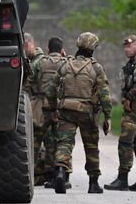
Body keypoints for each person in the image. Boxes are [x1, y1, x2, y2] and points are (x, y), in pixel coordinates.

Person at [46, 32, 112, 194]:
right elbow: (105, 95)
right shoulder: (96, 68)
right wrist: (107, 116)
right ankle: (93, 183)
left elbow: (51, 90)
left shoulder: (65, 65)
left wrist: (54, 108)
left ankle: (61, 171)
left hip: (66, 110)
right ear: (93, 48)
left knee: (64, 143)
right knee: (91, 147)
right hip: (87, 113)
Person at [104, 34, 136, 192]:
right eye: (125, 47)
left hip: (135, 108)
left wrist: (128, 97)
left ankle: (123, 179)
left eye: (130, 46)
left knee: (125, 143)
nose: (127, 49)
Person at [22, 36, 67, 187]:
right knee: (60, 141)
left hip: (41, 106)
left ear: (48, 49)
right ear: (61, 50)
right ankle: (61, 174)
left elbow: (28, 83)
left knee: (35, 141)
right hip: (61, 107)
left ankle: (31, 174)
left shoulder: (40, 62)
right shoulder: (66, 63)